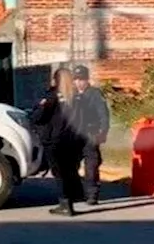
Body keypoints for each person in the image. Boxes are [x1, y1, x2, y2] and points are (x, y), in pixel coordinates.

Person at [29, 67, 83, 216]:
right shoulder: (77, 97)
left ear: (55, 80)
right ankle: (71, 202)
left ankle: (65, 204)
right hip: (74, 140)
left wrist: (39, 107)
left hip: (55, 140)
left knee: (60, 173)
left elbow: (37, 117)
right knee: (71, 171)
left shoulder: (51, 97)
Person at [70, 64, 110, 205]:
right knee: (71, 166)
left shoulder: (95, 94)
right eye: (76, 79)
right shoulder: (71, 94)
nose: (79, 82)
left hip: (90, 133)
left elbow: (103, 114)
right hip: (74, 134)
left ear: (87, 79)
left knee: (91, 166)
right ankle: (76, 193)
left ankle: (92, 194)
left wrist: (103, 132)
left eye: (82, 79)